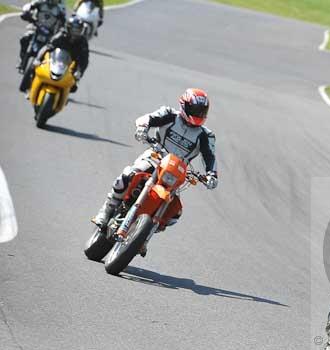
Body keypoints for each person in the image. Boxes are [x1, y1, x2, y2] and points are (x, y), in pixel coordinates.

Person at [92, 89, 219, 242]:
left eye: (202, 111)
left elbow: (209, 156)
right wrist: (143, 127)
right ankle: (105, 212)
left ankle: (144, 235)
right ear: (184, 105)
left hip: (177, 172)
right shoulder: (169, 115)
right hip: (155, 157)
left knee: (175, 214)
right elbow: (148, 118)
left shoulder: (206, 135)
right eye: (196, 110)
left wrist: (212, 174)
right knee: (128, 175)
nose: (199, 114)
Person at [28, 15, 89, 93]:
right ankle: (31, 86)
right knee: (34, 67)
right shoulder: (61, 35)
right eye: (74, 29)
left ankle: (65, 92)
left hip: (71, 63)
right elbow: (48, 46)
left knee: (73, 86)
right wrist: (38, 59)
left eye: (78, 30)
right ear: (68, 27)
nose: (75, 32)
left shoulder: (83, 41)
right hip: (55, 58)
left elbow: (85, 59)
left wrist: (80, 72)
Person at [17, 0, 66, 72]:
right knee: (25, 38)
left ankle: (45, 69)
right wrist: (26, 12)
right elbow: (29, 7)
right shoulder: (40, 2)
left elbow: (64, 23)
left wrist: (62, 30)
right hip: (36, 26)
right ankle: (22, 60)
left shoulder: (61, 9)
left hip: (50, 33)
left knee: (53, 49)